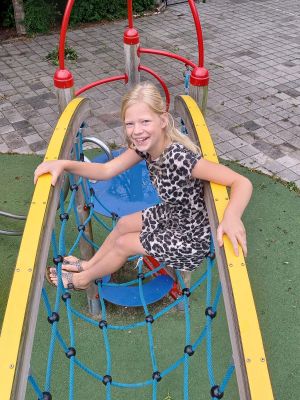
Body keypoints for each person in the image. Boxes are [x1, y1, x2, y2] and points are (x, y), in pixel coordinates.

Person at [34, 82, 253, 290]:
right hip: (172, 215)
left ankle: (83, 279)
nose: (137, 131)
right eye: (130, 124)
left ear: (163, 120)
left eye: (145, 122)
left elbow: (241, 182)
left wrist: (232, 217)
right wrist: (64, 164)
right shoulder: (144, 148)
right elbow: (106, 171)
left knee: (124, 244)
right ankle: (89, 265)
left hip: (190, 237)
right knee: (123, 224)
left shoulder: (179, 158)